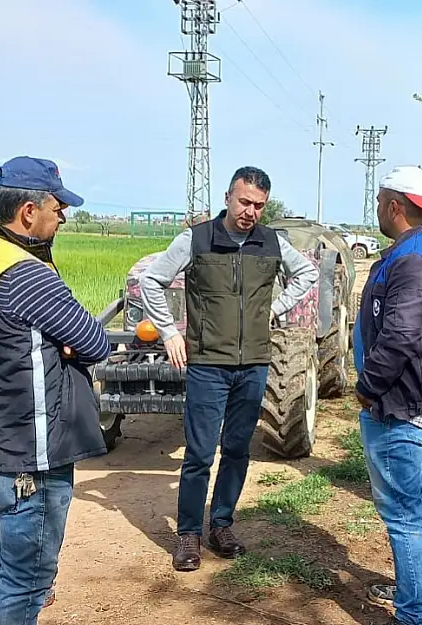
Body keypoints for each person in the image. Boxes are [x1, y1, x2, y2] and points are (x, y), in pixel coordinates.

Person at [0, 156, 111, 625]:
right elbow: (94, 342)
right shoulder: (27, 274)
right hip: (30, 455)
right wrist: (66, 347)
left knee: (1, 559)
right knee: (28, 580)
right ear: (27, 212)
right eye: (57, 207)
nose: (63, 216)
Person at [139, 166, 319, 572]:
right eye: (244, 202)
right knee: (200, 453)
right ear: (227, 197)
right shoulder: (197, 240)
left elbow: (306, 273)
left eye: (258, 205)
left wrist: (273, 309)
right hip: (207, 365)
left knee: (237, 450)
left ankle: (222, 524)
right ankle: (189, 534)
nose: (250, 211)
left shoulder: (271, 242)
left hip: (254, 363)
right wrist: (168, 331)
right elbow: (154, 281)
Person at [354, 165, 422, 625]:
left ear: (394, 206)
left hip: (402, 404)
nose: (378, 209)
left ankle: (415, 613)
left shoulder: (412, 259)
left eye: (380, 202)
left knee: (403, 515)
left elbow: (401, 333)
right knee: (419, 506)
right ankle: (419, 593)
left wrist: (368, 386)